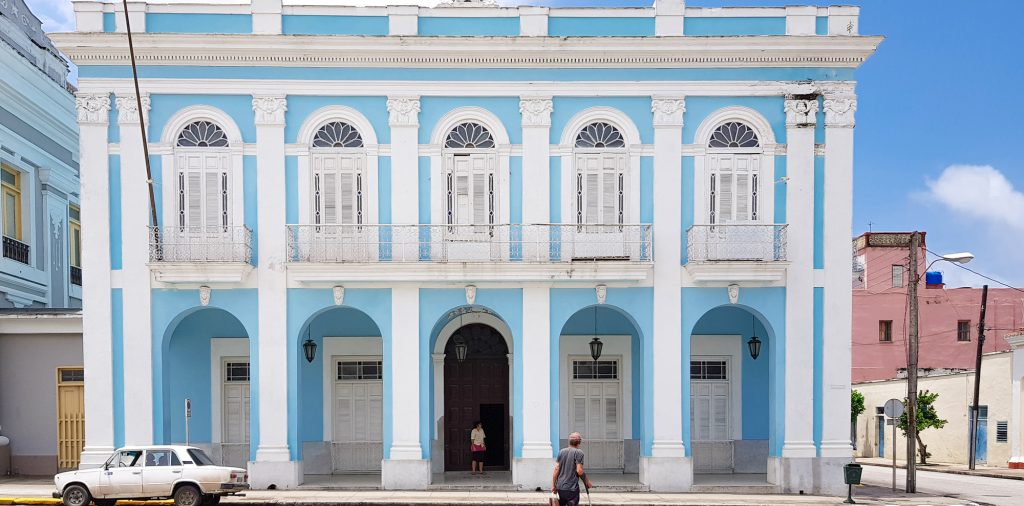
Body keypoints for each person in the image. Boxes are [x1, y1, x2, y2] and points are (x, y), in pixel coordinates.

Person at [552, 432, 593, 506]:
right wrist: (587, 482)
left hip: (560, 487)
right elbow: (579, 471)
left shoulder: (561, 451)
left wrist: (554, 485)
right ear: (579, 442)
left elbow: (556, 469)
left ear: (569, 441)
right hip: (571, 488)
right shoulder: (579, 452)